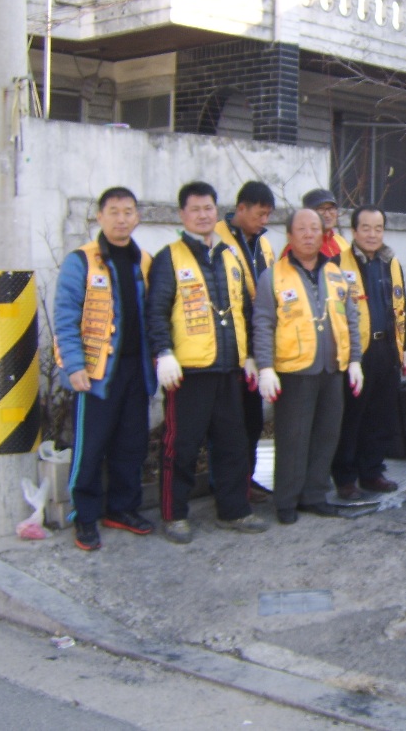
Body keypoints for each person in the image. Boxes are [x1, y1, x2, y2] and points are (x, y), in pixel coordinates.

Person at [146, 181, 267, 544]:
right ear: (183, 214)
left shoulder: (230, 256)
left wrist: (248, 357)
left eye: (209, 208)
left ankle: (234, 509)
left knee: (233, 443)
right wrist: (164, 353)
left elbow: (244, 310)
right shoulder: (170, 257)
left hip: (229, 370)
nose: (203, 215)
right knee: (180, 446)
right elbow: (156, 312)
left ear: (218, 212)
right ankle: (175, 514)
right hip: (189, 372)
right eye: (195, 209)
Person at [53, 187, 157, 551]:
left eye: (128, 211)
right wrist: (73, 366)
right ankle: (84, 515)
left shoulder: (144, 260)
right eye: (113, 211)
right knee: (90, 446)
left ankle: (122, 509)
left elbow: (155, 315)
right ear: (100, 217)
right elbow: (65, 319)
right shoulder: (81, 261)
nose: (121, 218)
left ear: (137, 217)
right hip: (97, 374)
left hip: (136, 371)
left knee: (132, 444)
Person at [253, 209, 364, 524]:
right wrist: (265, 367)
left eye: (314, 228)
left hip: (332, 370)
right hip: (294, 370)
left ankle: (314, 495)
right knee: (293, 437)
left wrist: (354, 360)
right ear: (289, 235)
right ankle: (286, 501)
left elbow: (350, 320)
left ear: (322, 234)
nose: (308, 234)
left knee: (327, 434)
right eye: (301, 229)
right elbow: (263, 324)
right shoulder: (272, 276)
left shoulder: (336, 274)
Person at [332, 205, 406, 500]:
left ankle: (372, 472)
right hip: (356, 353)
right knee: (352, 417)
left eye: (378, 228)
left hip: (387, 349)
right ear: (354, 231)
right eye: (365, 228)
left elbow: (402, 305)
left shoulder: (390, 262)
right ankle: (345, 477)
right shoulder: (337, 264)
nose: (372, 234)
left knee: (381, 416)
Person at [214, 181, 276, 501]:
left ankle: (247, 479)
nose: (264, 221)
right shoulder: (216, 241)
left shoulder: (264, 245)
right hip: (226, 348)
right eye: (260, 214)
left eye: (268, 215)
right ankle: (226, 485)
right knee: (228, 424)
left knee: (252, 420)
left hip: (256, 347)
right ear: (241, 209)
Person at [299, 188, 352, 261]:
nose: (327, 215)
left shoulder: (341, 242)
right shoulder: (300, 245)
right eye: (321, 209)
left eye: (331, 208)